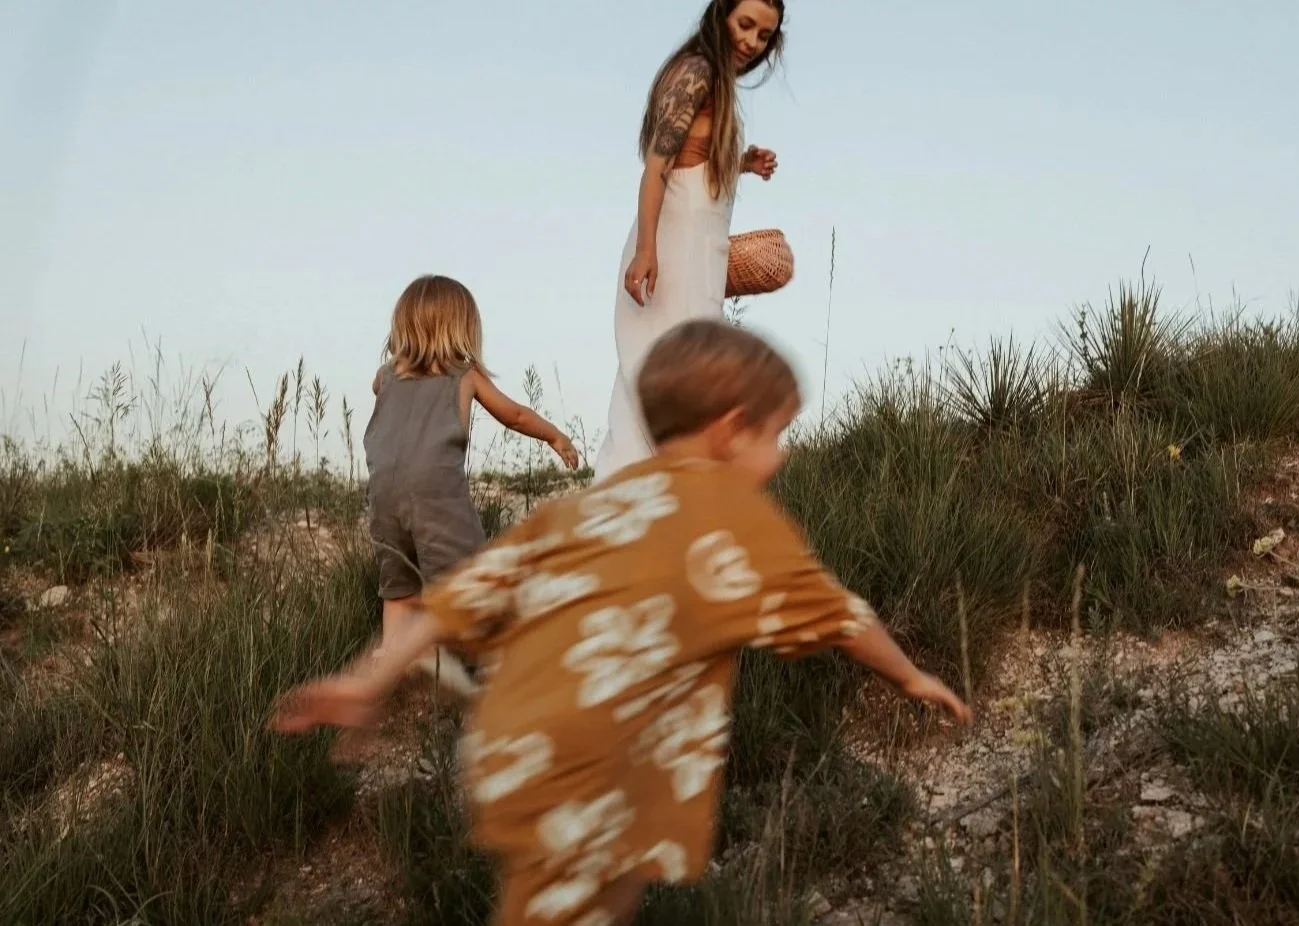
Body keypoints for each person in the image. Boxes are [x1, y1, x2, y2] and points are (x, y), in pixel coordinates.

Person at [275, 319, 973, 926]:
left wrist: (370, 682)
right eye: (777, 432)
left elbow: (450, 602)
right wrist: (911, 675)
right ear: (730, 432)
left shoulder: (584, 511)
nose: (783, 452)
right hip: (599, 767)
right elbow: (843, 617)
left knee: (581, 903)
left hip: (514, 748)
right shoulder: (739, 518)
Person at [592, 0, 786, 482]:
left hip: (697, 257)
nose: (751, 42)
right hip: (670, 251)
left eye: (763, 36)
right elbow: (657, 168)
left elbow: (693, 162)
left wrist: (741, 162)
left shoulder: (717, 85)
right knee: (664, 385)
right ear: (720, 13)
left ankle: (661, 514)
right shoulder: (696, 71)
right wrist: (646, 251)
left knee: (682, 387)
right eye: (745, 25)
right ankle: (634, 515)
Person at [363, 273, 578, 692]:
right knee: (465, 582)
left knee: (399, 589)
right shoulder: (464, 376)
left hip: (382, 495)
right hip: (435, 494)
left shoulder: (384, 377)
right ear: (462, 328)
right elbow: (513, 415)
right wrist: (555, 435)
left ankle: (393, 659)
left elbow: (386, 405)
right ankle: (483, 664)